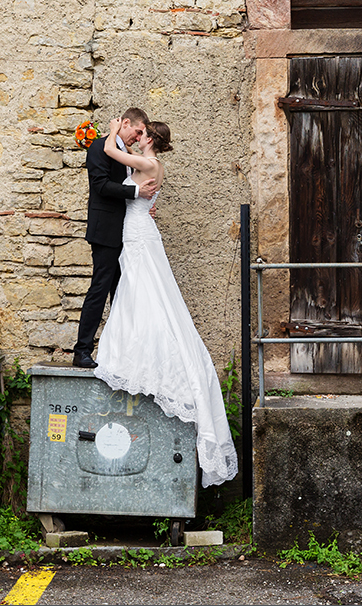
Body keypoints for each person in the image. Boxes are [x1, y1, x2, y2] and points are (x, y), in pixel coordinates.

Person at [93, 119, 238, 488]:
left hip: (138, 232)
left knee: (145, 291)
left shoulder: (151, 163)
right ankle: (134, 340)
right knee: (137, 291)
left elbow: (110, 151)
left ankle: (143, 349)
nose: (136, 139)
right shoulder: (145, 166)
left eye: (140, 135)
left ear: (150, 139)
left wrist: (111, 129)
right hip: (137, 228)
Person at [72, 108, 157, 369]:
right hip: (106, 231)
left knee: (122, 294)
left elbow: (129, 184)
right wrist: (136, 195)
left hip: (127, 232)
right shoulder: (99, 147)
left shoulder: (124, 153)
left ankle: (121, 354)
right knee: (100, 289)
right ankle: (82, 350)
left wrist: (142, 204)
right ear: (126, 123)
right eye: (138, 131)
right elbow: (100, 185)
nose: (139, 136)